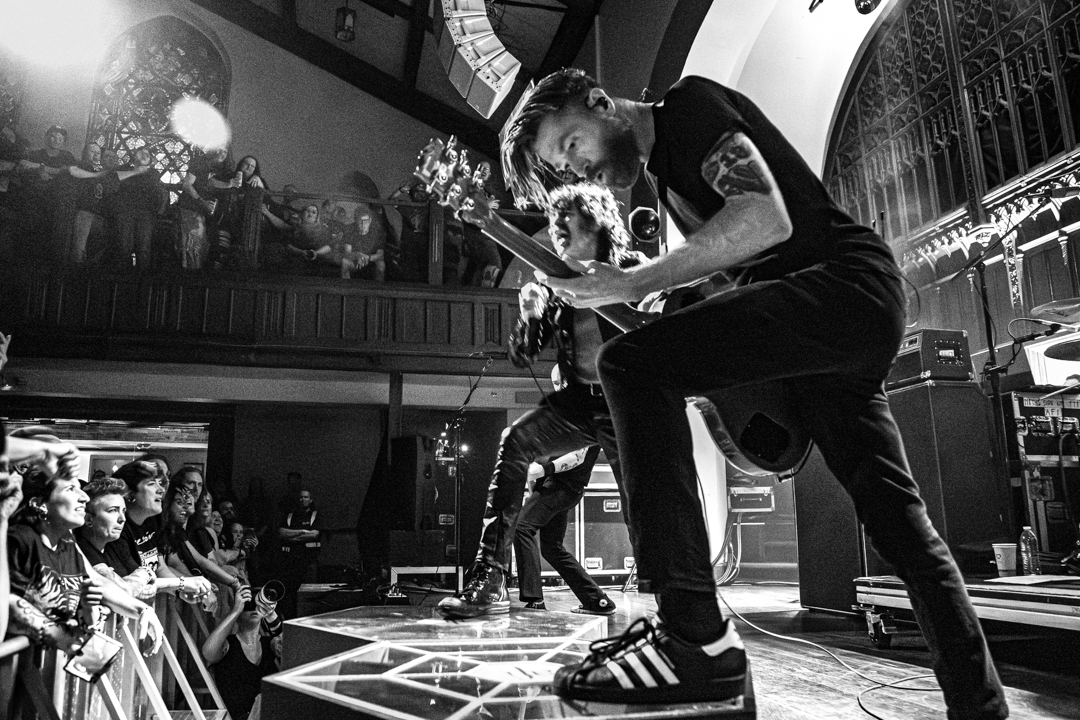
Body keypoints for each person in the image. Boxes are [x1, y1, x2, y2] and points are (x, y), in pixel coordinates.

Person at [500, 68, 1008, 716]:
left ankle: (694, 637)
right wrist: (656, 295)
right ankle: (981, 705)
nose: (580, 168)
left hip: (841, 285)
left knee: (627, 367)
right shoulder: (666, 179)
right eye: (563, 166)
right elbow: (737, 276)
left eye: (572, 144)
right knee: (899, 524)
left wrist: (634, 282)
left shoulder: (687, 107)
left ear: (600, 102)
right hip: (839, 320)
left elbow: (764, 216)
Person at [437, 182, 645, 619]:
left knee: (643, 500)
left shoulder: (631, 269)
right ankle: (489, 578)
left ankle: (672, 594)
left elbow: (656, 325)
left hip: (629, 400)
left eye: (568, 217)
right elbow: (522, 355)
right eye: (554, 221)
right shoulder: (555, 282)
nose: (557, 227)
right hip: (580, 402)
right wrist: (530, 316)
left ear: (597, 223)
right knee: (515, 440)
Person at [5, 450, 163, 656]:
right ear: (39, 504)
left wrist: (142, 610)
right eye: (71, 489)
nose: (84, 497)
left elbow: (98, 580)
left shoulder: (66, 540)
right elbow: (7, 601)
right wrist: (64, 637)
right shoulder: (20, 539)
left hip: (48, 666)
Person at [514, 446, 615, 614]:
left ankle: (535, 600)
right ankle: (597, 601)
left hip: (561, 487)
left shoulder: (585, 429)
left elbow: (577, 456)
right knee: (552, 548)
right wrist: (535, 487)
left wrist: (543, 470)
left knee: (521, 527)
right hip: (556, 486)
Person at [202, 585, 282, 720]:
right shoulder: (227, 645)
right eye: (248, 605)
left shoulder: (271, 644)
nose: (253, 609)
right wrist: (236, 610)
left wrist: (271, 614)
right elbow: (208, 653)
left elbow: (296, 654)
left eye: (257, 605)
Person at [277, 488, 320, 618]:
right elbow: (281, 533)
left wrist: (293, 537)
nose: (303, 499)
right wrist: (302, 531)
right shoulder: (290, 516)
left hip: (309, 561)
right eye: (301, 497)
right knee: (291, 592)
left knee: (309, 592)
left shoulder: (315, 515)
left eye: (306, 497)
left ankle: (309, 618)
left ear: (311, 500)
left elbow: (314, 534)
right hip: (291, 561)